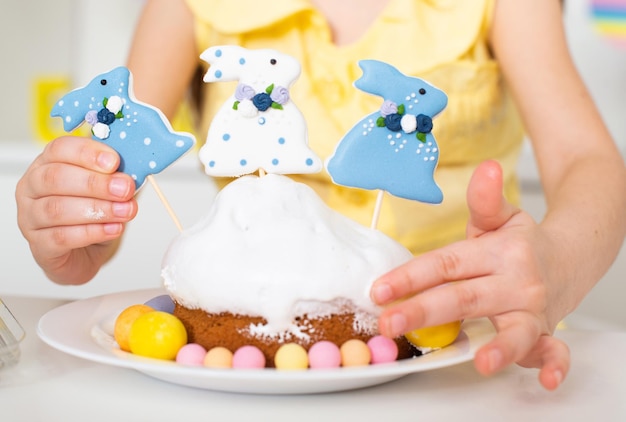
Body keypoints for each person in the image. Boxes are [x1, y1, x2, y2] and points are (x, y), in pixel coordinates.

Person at [15, 0, 626, 391]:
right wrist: (80, 220)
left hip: (469, 364)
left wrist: (558, 260)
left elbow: (587, 160)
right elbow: (122, 161)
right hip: (240, 383)